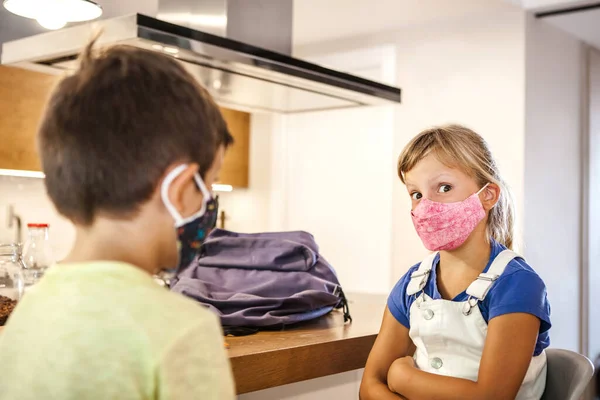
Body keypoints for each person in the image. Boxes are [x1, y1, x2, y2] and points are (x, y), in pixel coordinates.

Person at [0, 39, 236, 400]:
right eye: (210, 182)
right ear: (180, 188)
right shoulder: (183, 331)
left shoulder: (29, 311)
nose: (209, 202)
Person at [360, 125, 551, 400]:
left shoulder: (517, 285)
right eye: (416, 194)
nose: (426, 206)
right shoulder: (413, 285)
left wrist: (403, 377)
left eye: (444, 187)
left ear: (487, 196)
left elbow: (491, 397)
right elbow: (369, 387)